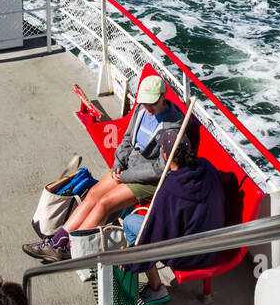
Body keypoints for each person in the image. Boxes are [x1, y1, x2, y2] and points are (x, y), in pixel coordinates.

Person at [22, 73, 182, 263]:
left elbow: (159, 168)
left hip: (148, 180)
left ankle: (75, 249)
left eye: (152, 103)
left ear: (163, 97)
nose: (147, 107)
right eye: (145, 102)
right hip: (127, 169)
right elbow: (127, 140)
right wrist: (118, 164)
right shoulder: (140, 109)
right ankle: (57, 243)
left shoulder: (174, 123)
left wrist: (126, 176)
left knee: (104, 204)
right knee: (93, 194)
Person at [121, 128, 226, 305]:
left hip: (188, 256)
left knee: (131, 222)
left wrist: (130, 260)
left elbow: (156, 237)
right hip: (214, 246)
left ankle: (156, 288)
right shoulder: (207, 167)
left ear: (165, 153)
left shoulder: (170, 189)